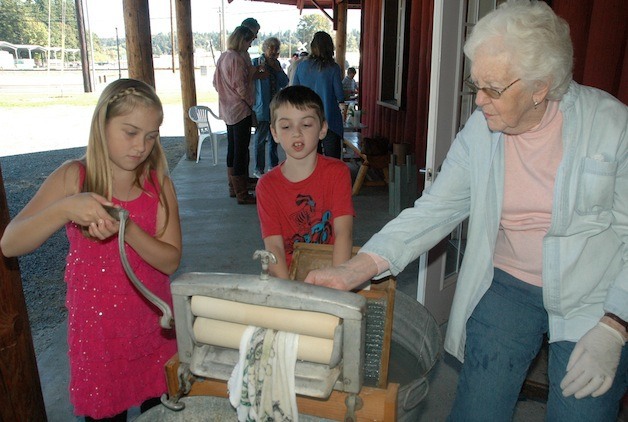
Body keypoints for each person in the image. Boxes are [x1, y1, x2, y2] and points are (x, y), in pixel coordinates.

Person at [305, 1, 628, 421]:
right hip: (508, 284)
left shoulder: (611, 125)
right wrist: (354, 270)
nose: (479, 102)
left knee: (581, 413)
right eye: (476, 84)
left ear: (540, 87)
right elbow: (435, 211)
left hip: (594, 295)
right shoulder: (482, 131)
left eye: (493, 89)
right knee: (478, 408)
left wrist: (615, 324)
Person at [0, 78, 182, 421]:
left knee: (160, 413)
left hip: (153, 329)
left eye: (151, 135)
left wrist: (126, 230)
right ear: (102, 125)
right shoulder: (73, 177)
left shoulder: (159, 184)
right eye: (130, 132)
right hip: (98, 338)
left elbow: (170, 259)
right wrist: (65, 208)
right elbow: (11, 243)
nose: (141, 145)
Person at [256, 85, 354, 279]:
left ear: (323, 129)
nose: (296, 133)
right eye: (286, 126)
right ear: (274, 133)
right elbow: (274, 247)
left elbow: (344, 233)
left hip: (333, 273)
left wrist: (336, 285)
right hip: (289, 279)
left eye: (306, 124)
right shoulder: (266, 186)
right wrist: (289, 297)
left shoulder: (338, 173)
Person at [214, 25, 257, 204]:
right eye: (249, 41)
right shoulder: (237, 59)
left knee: (233, 149)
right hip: (240, 110)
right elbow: (241, 87)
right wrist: (250, 102)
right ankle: (242, 192)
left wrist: (226, 95)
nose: (249, 45)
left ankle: (234, 186)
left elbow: (215, 83)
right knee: (241, 151)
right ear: (242, 40)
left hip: (227, 109)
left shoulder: (224, 56)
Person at [293, 32, 345, 159]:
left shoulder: (301, 66)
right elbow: (340, 95)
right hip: (330, 121)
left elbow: (295, 92)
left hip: (307, 120)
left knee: (312, 161)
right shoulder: (333, 68)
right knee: (332, 162)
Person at [252, 37, 289, 178]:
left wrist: (278, 70)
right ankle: (258, 169)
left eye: (276, 48)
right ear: (264, 48)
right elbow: (249, 81)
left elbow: (285, 82)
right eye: (271, 48)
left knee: (274, 138)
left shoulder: (277, 64)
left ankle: (273, 166)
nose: (273, 51)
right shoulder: (256, 62)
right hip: (261, 107)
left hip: (276, 107)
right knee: (260, 139)